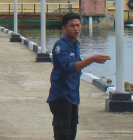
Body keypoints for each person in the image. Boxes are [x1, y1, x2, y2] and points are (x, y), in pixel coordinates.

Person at [47, 12, 110, 140]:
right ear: (64, 28)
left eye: (78, 25)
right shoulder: (61, 46)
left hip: (72, 97)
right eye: (72, 26)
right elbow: (70, 67)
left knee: (71, 133)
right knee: (62, 134)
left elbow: (77, 73)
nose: (76, 29)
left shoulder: (75, 45)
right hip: (61, 96)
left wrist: (76, 101)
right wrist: (92, 59)